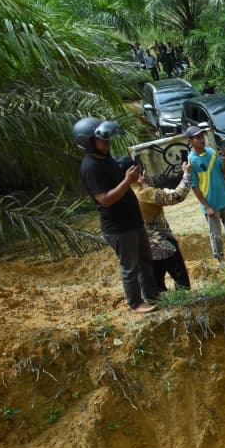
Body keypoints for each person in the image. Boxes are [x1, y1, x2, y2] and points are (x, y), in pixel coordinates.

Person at [75, 118, 159, 313]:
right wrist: (127, 181)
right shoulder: (90, 167)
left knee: (146, 260)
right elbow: (104, 199)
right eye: (102, 140)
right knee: (130, 267)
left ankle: (152, 295)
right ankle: (135, 303)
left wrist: (133, 178)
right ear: (88, 142)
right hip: (118, 227)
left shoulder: (105, 158)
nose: (107, 143)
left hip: (133, 221)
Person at [135, 160, 193, 293]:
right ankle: (184, 302)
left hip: (144, 246)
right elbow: (177, 195)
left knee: (157, 283)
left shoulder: (125, 194)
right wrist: (187, 173)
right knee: (181, 281)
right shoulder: (145, 193)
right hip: (163, 242)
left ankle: (164, 302)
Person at [186, 125, 225, 262]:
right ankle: (220, 260)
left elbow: (224, 172)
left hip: (224, 199)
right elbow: (194, 187)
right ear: (190, 141)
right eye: (197, 138)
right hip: (211, 204)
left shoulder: (212, 152)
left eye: (202, 136)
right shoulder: (191, 162)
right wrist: (207, 206)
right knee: (215, 234)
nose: (201, 139)